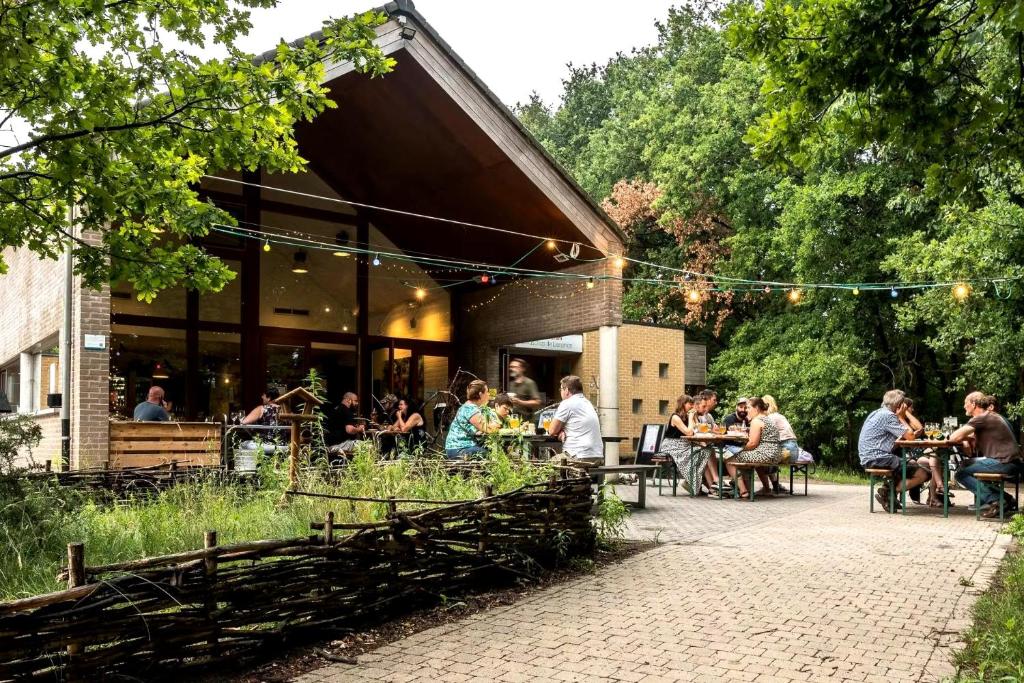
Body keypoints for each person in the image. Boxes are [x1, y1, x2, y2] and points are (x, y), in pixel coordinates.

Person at [950, 391, 1022, 517]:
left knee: (961, 474)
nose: (964, 406)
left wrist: (963, 438)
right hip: (1012, 461)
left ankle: (996, 500)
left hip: (1004, 462)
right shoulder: (991, 416)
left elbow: (953, 437)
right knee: (965, 464)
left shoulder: (981, 418)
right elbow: (971, 440)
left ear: (973, 404)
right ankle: (1006, 499)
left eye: (965, 403)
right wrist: (967, 440)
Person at [858, 389, 929, 512]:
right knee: (924, 473)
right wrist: (901, 416)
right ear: (899, 405)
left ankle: (887, 493)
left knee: (911, 464)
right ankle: (888, 492)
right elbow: (911, 436)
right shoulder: (888, 416)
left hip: (870, 456)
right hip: (877, 457)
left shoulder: (877, 413)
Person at [662, 394, 726, 495]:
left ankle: (712, 486)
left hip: (686, 444)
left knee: (708, 450)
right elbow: (689, 432)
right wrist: (691, 418)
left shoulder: (689, 416)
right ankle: (710, 485)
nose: (692, 407)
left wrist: (696, 420)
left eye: (693, 404)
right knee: (704, 453)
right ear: (682, 404)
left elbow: (698, 430)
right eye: (690, 404)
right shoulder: (675, 417)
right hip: (673, 446)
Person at [723, 397, 783, 498]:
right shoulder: (768, 419)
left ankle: (743, 491)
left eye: (749, 407)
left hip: (765, 454)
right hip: (775, 454)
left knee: (728, 457)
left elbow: (752, 444)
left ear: (757, 408)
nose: (746, 410)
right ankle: (765, 489)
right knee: (747, 458)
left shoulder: (756, 421)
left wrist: (741, 449)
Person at [549, 375, 604, 465]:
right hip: (597, 456)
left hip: (578, 456)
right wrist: (562, 430)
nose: (560, 392)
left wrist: (559, 431)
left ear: (566, 390)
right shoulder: (588, 403)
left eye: (561, 390)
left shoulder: (567, 403)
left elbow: (551, 431)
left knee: (545, 468)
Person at [445, 379, 494, 459]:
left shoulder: (471, 407)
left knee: (489, 450)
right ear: (481, 394)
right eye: (487, 392)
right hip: (458, 449)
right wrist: (498, 425)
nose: (489, 394)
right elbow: (488, 428)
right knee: (489, 454)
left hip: (461, 447)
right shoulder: (470, 409)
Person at [761, 394, 798, 495]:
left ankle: (770, 487)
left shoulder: (771, 418)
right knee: (766, 456)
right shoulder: (779, 416)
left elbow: (764, 436)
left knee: (762, 458)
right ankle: (776, 486)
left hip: (787, 450)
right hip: (793, 450)